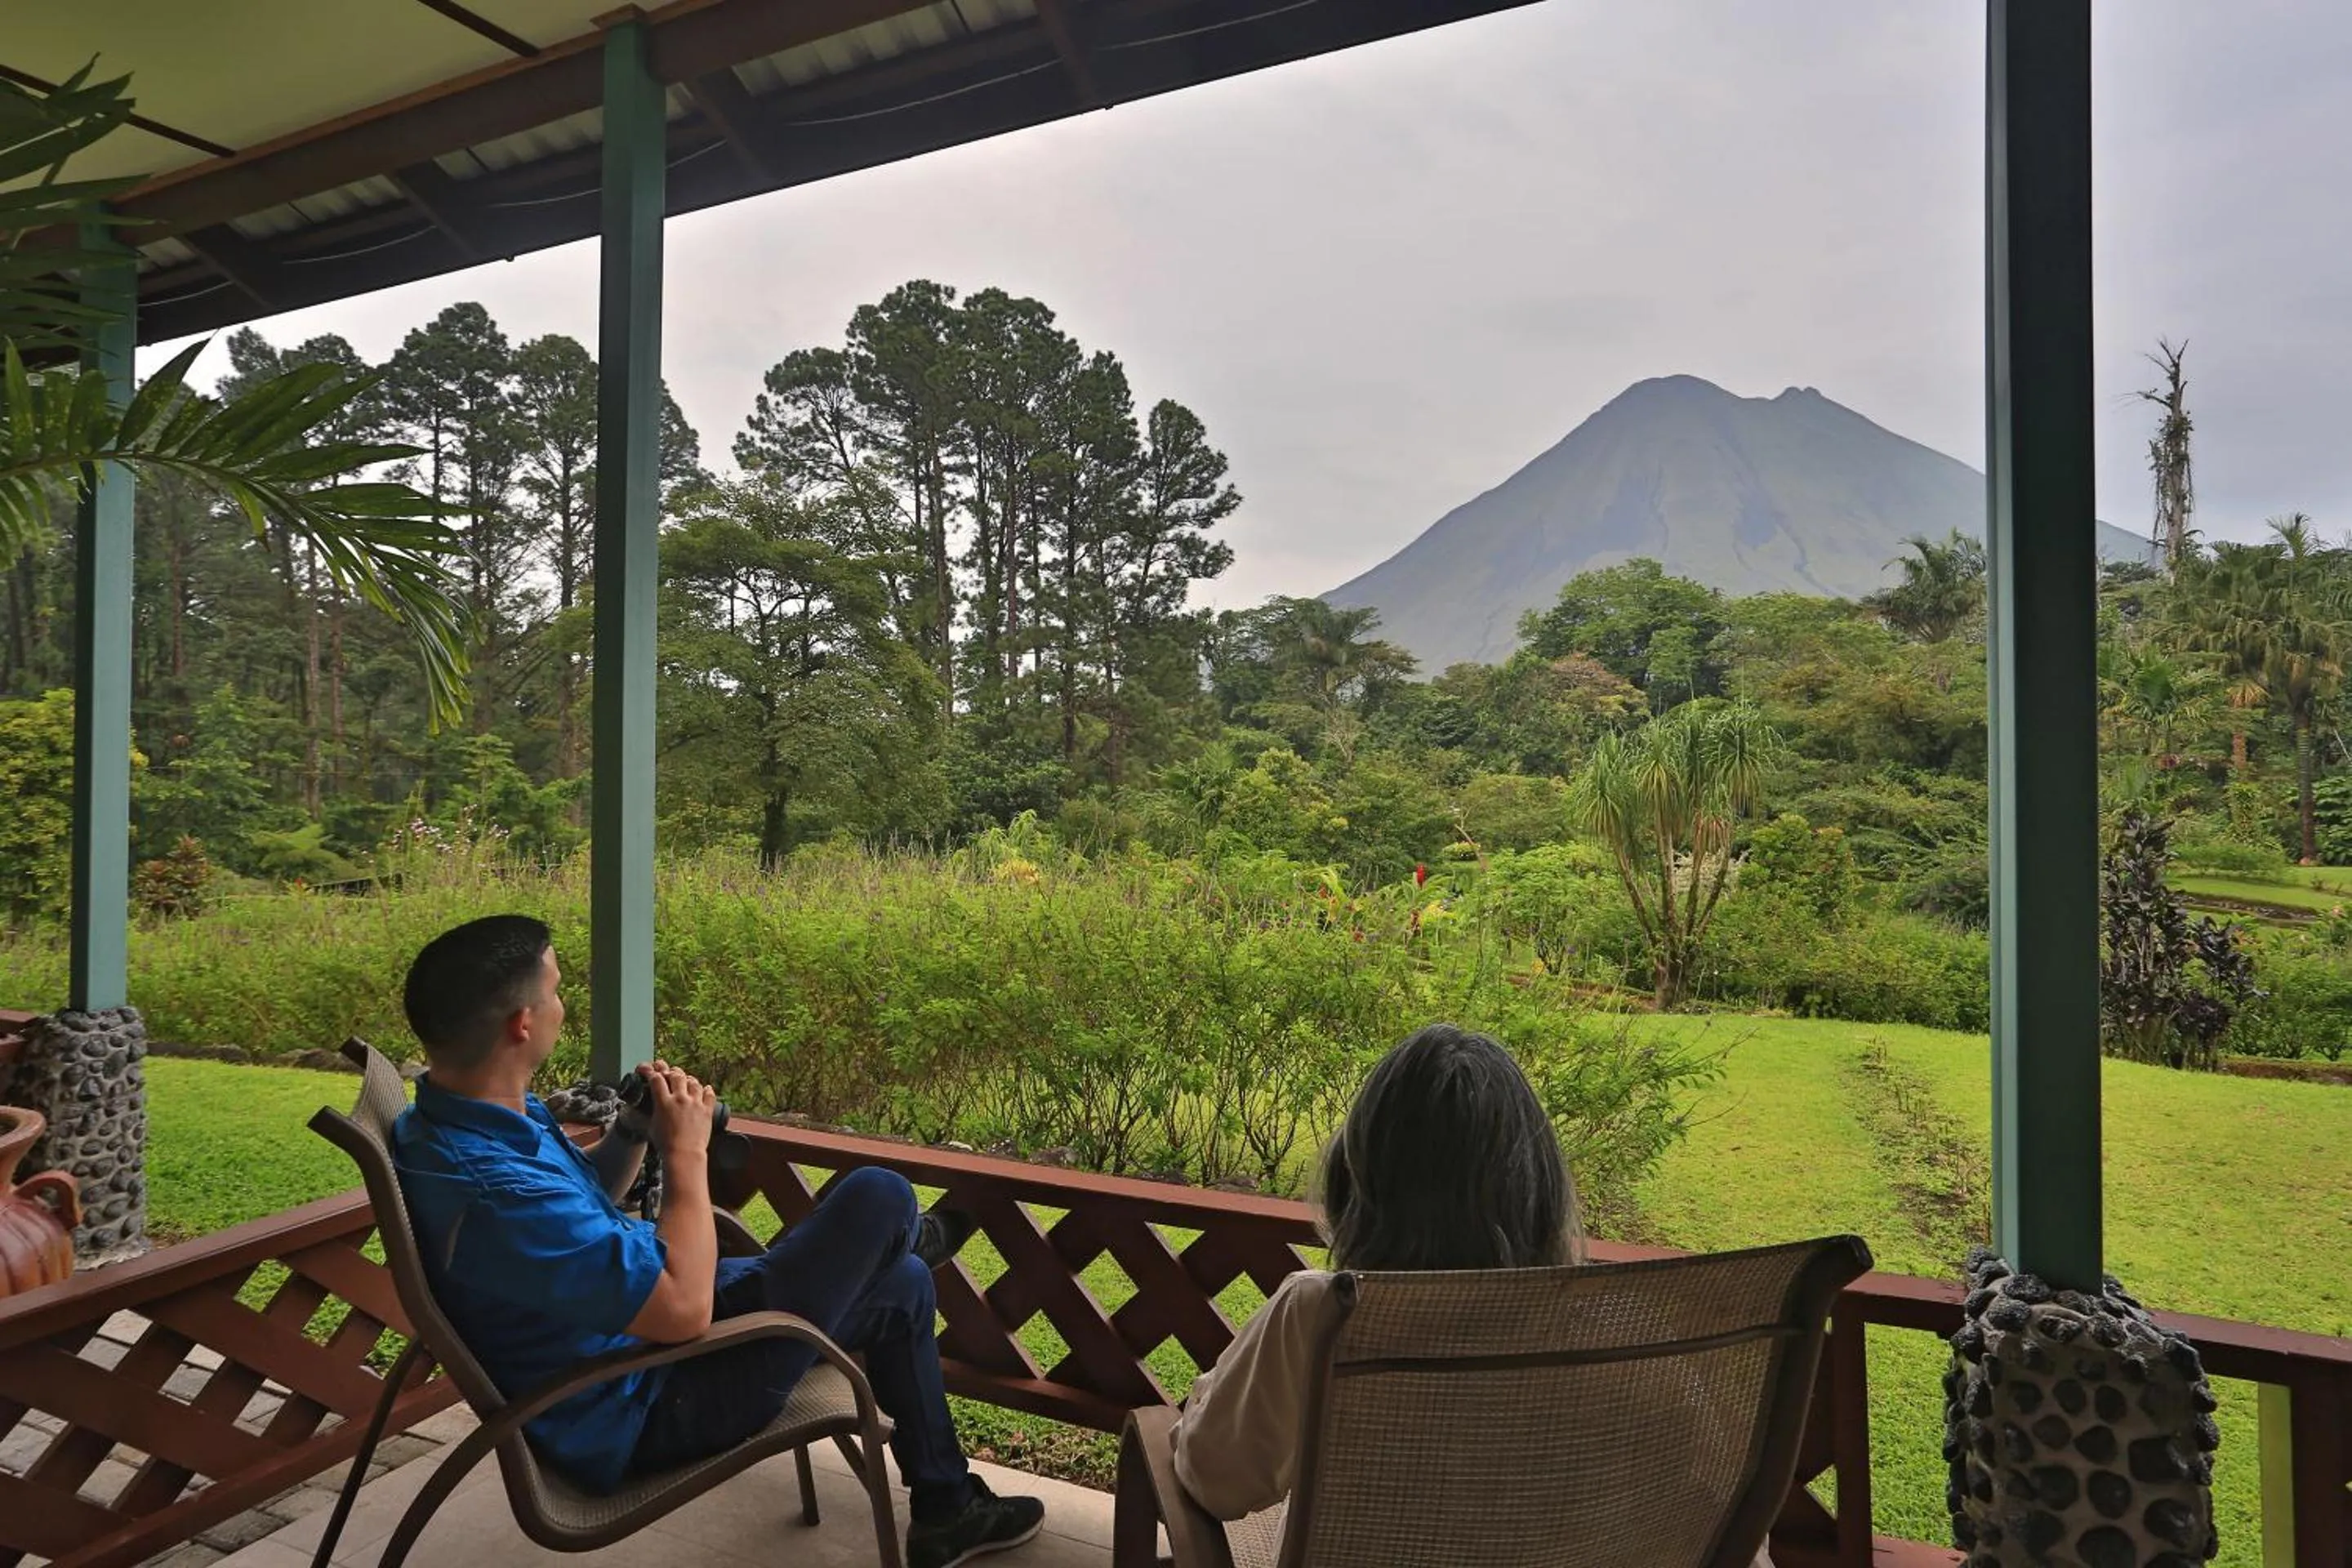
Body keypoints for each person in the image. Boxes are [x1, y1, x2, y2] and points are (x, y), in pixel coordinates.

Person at [390, 915, 1044, 1568]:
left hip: (632, 1335)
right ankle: (905, 1239)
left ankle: (946, 1508)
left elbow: (580, 1202)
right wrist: (686, 1151)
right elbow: (683, 1311)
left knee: (904, 1284)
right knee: (879, 1195)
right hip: (648, 1400)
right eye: (556, 991)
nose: (565, 1005)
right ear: (522, 1024)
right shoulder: (494, 1189)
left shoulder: (466, 1120)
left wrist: (633, 1131)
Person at [1170, 1024, 1772, 1568]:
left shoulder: (1321, 1316)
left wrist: (1200, 1405)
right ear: (1538, 1182)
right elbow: (1713, 1511)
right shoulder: (1628, 1339)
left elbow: (1216, 1480)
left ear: (1360, 1176)